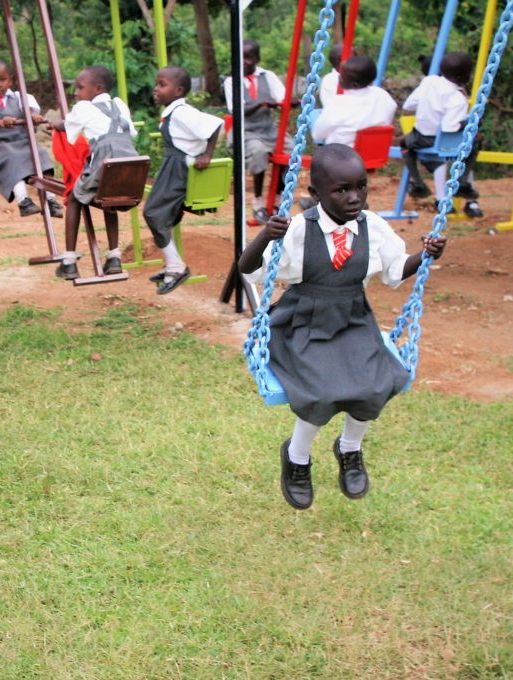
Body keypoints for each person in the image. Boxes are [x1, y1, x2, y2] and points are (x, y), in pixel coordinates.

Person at [238, 144, 446, 510]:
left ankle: (350, 448)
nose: (354, 197)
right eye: (341, 190)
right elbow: (249, 269)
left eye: (361, 187)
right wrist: (265, 235)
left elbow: (396, 272)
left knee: (376, 383)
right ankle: (297, 458)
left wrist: (425, 255)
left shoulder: (374, 226)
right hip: (302, 323)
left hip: (352, 320)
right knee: (320, 392)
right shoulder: (299, 230)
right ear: (316, 194)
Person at [47, 65, 138, 280]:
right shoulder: (119, 105)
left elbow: (65, 126)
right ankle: (114, 257)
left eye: (80, 88)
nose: (76, 93)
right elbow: (131, 132)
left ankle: (69, 261)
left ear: (97, 89)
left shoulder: (83, 109)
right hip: (130, 167)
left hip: (104, 163)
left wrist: (52, 124)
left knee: (74, 198)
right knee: (110, 201)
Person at [143, 66, 223, 295]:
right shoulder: (172, 111)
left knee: (153, 213)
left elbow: (215, 124)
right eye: (157, 83)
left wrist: (207, 155)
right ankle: (172, 264)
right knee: (157, 214)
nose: (156, 89)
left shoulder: (181, 112)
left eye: (162, 85)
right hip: (172, 167)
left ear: (178, 91)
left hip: (179, 169)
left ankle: (176, 267)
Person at [0, 60, 63, 218]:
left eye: (2, 79)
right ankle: (24, 201)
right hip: (0, 145)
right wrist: (1, 122)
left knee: (41, 156)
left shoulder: (20, 97)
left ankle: (51, 199)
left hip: (23, 142)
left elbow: (27, 110)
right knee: (12, 160)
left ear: (11, 80)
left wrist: (32, 116)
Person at [402, 52, 484, 218]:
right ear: (465, 76)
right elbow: (450, 127)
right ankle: (465, 188)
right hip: (444, 142)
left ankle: (419, 184)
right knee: (472, 145)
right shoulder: (457, 98)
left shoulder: (429, 81)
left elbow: (408, 105)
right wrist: (469, 123)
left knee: (404, 144)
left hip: (420, 138)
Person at [223, 40, 287, 225]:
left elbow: (281, 97)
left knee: (290, 152)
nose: (244, 61)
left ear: (257, 59)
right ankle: (258, 201)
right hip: (246, 131)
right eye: (240, 57)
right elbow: (237, 110)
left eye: (249, 57)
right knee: (258, 152)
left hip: (269, 129)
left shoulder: (269, 76)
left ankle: (276, 199)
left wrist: (289, 102)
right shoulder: (231, 81)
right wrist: (261, 103)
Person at [311, 54, 397, 147]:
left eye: (341, 76)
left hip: (342, 156)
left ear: (354, 84)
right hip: (373, 154)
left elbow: (317, 134)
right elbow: (391, 110)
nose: (338, 78)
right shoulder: (382, 95)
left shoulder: (338, 103)